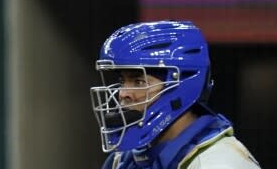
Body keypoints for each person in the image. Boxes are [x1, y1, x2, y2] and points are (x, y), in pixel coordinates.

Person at [90, 20, 261, 169]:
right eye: (122, 81)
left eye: (139, 82)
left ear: (181, 86)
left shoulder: (219, 163)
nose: (122, 94)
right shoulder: (122, 161)